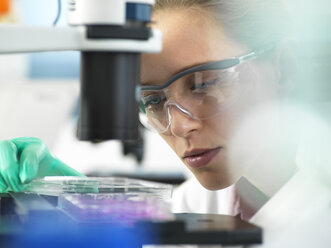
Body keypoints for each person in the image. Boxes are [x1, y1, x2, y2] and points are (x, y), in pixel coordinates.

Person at [0, 0, 298, 220]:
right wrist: (64, 197)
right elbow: (156, 228)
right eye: (153, 101)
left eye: (204, 84)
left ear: (283, 65)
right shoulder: (213, 202)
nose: (178, 126)